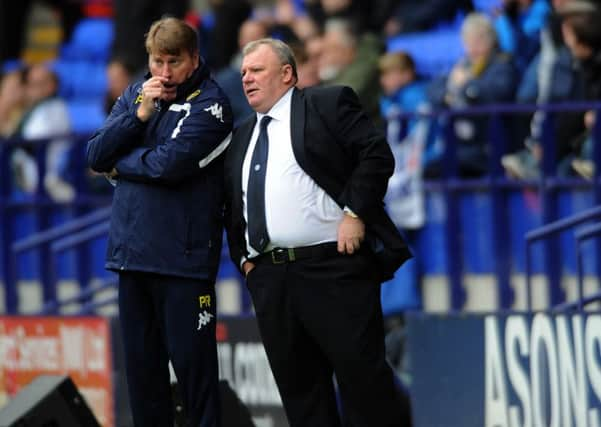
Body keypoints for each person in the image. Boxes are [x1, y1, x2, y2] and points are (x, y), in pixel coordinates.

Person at [224, 38, 412, 427]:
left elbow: (376, 156)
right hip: (271, 279)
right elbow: (234, 204)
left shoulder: (327, 103)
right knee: (301, 396)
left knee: (365, 388)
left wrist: (355, 212)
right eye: (244, 72)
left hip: (333, 268)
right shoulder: (241, 135)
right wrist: (244, 259)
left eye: (257, 70)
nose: (247, 78)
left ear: (287, 73)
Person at [86, 17, 233, 427]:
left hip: (183, 264)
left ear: (194, 58)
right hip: (132, 258)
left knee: (196, 383)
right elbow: (95, 155)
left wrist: (120, 165)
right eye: (157, 61)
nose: (164, 73)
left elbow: (168, 166)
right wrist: (138, 117)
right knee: (144, 384)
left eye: (174, 62)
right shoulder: (138, 92)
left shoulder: (213, 106)